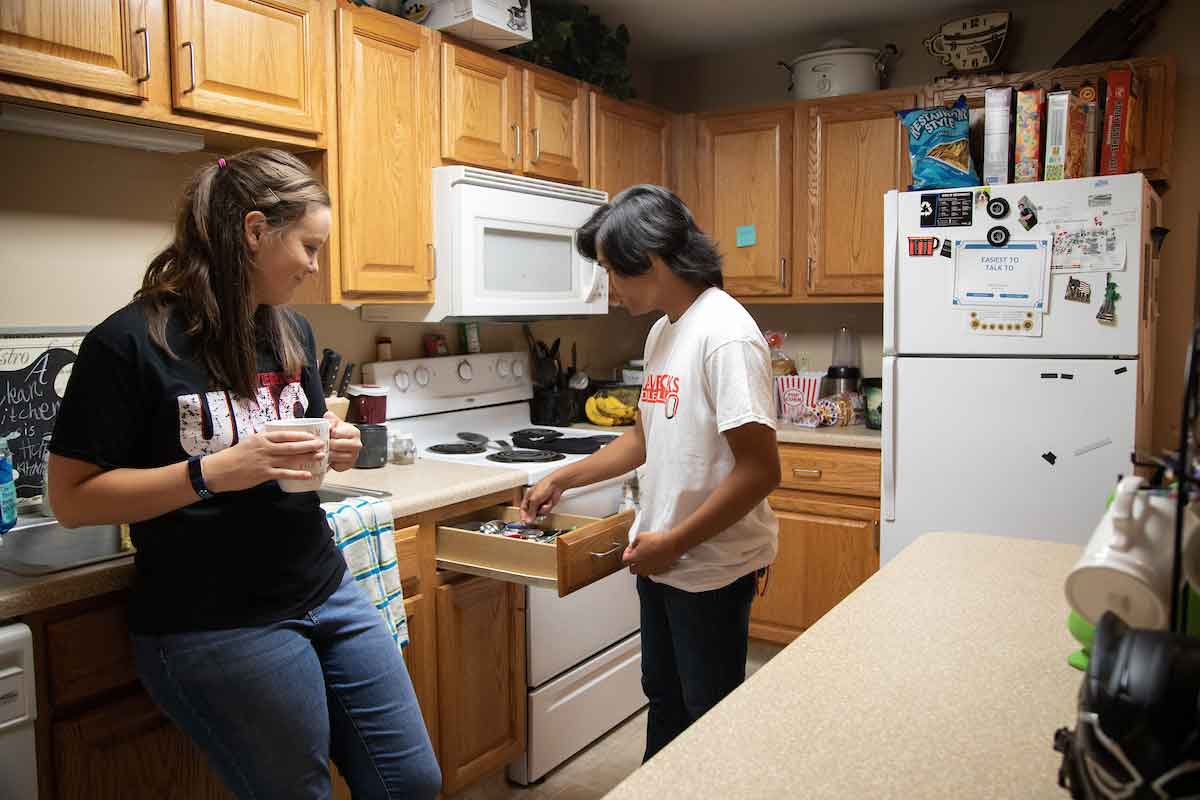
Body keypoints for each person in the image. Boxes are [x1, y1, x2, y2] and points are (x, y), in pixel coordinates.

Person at [48, 149, 441, 800]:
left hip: (325, 589)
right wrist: (209, 473)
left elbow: (300, 446)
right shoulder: (128, 344)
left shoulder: (289, 333)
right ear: (255, 231)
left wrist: (334, 447)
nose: (315, 268)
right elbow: (72, 500)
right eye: (309, 247)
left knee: (411, 782)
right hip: (214, 621)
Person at [521, 184, 781, 761]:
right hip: (662, 554)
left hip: (709, 567)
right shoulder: (666, 328)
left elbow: (761, 471)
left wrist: (676, 543)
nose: (611, 290)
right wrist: (567, 477)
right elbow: (645, 434)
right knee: (663, 698)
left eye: (615, 272)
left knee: (708, 717)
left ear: (655, 261)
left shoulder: (726, 335)